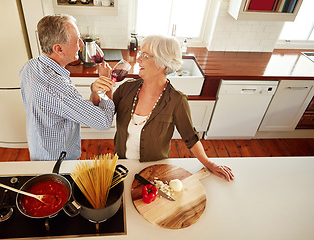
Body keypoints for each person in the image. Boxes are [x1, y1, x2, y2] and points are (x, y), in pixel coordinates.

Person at [100, 35, 234, 181]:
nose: (138, 59)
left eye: (144, 55)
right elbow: (104, 115)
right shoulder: (127, 88)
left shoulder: (176, 100)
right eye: (140, 54)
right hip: (121, 165)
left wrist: (209, 163)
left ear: (161, 64)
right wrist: (101, 88)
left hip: (154, 171)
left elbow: (190, 138)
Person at [19, 14, 115, 161]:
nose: (82, 44)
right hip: (57, 160)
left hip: (38, 148)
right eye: (77, 40)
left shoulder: (31, 66)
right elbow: (103, 122)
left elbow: (72, 107)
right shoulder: (56, 88)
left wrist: (95, 90)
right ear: (58, 49)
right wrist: (107, 83)